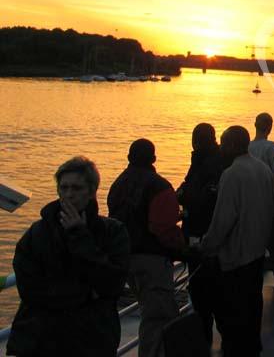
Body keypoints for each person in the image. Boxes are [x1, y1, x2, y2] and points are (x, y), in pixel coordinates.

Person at [8, 157, 130, 357]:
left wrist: (80, 237)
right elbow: (29, 288)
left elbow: (112, 284)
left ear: (91, 192)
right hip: (39, 341)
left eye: (76, 188)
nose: (69, 195)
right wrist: (85, 295)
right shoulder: (37, 233)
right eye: (63, 188)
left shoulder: (113, 232)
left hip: (90, 341)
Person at [107, 139, 185, 357]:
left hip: (125, 259)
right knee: (158, 318)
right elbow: (162, 228)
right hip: (151, 261)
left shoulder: (117, 185)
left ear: (129, 157)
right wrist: (184, 248)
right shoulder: (159, 186)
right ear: (153, 158)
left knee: (150, 312)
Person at [200, 125, 273, 357]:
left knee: (233, 310)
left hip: (236, 256)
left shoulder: (232, 174)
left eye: (223, 143)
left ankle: (235, 349)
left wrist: (206, 245)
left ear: (232, 145)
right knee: (253, 303)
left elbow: (223, 219)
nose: (220, 147)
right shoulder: (262, 169)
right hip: (257, 251)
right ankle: (253, 345)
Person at [176, 122, 224, 344]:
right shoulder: (203, 159)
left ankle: (206, 337)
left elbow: (201, 197)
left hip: (203, 234)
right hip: (200, 233)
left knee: (204, 291)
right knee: (207, 290)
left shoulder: (210, 162)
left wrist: (184, 196)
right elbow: (189, 186)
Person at [249, 112, 274, 267]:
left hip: (254, 203)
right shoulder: (271, 148)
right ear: (270, 127)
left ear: (255, 125)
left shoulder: (248, 147)